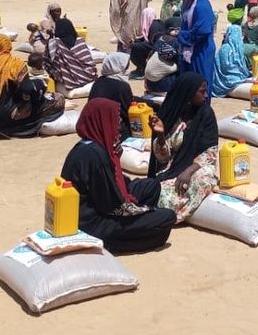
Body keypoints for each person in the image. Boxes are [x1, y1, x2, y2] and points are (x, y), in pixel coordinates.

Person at [60, 98, 176, 253]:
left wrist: (114, 159)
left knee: (151, 185)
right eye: (114, 120)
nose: (119, 125)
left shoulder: (90, 145)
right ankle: (115, 244)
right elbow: (111, 205)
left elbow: (115, 183)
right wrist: (143, 210)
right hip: (93, 223)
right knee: (167, 217)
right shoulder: (93, 155)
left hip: (103, 205)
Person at [148, 73, 219, 223]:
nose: (206, 95)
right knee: (158, 194)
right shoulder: (170, 114)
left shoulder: (206, 114)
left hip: (198, 166)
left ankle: (173, 216)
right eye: (202, 92)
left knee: (200, 181)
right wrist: (160, 135)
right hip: (172, 166)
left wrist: (188, 171)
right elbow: (162, 158)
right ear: (188, 93)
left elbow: (210, 152)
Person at [0, 35, 65, 137]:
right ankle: (20, 127)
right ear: (8, 46)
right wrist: (39, 84)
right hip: (7, 115)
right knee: (58, 99)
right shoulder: (15, 64)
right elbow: (28, 89)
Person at [178, 0, 216, 102]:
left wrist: (181, 35)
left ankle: (202, 110)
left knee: (200, 82)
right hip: (191, 49)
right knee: (190, 84)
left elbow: (203, 31)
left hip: (201, 50)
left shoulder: (202, 6)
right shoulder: (189, 4)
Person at [89, 52, 133, 139]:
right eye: (125, 67)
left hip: (94, 127)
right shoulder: (122, 86)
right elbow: (127, 112)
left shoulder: (97, 82)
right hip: (112, 129)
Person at [47, 18, 97, 90]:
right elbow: (88, 61)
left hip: (67, 81)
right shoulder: (80, 41)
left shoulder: (54, 43)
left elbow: (47, 64)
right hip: (88, 76)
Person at [211, 25, 253, 98]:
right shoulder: (227, 48)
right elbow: (225, 68)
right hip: (226, 78)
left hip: (235, 76)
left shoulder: (237, 48)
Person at [129, 7, 164, 79]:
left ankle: (142, 69)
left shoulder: (155, 26)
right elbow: (147, 38)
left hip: (158, 50)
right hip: (155, 48)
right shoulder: (152, 24)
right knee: (135, 44)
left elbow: (154, 43)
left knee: (136, 47)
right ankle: (140, 68)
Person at [145, 30, 179, 95]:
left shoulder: (156, 51)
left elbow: (147, 62)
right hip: (163, 87)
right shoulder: (173, 67)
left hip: (149, 85)